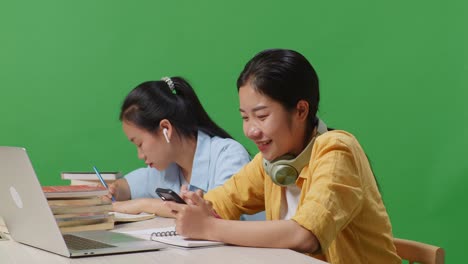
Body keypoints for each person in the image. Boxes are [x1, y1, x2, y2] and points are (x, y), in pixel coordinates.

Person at [165, 49, 401, 263]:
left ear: (301, 110)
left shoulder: (337, 150)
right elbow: (221, 203)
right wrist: (198, 206)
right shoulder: (271, 161)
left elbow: (305, 235)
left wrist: (208, 227)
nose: (250, 131)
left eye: (262, 116)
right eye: (245, 118)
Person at [107, 76, 250, 218]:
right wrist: (115, 190)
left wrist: (143, 205)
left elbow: (212, 214)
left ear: (165, 128)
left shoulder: (229, 156)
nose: (140, 155)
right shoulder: (165, 170)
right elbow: (127, 186)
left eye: (140, 144)